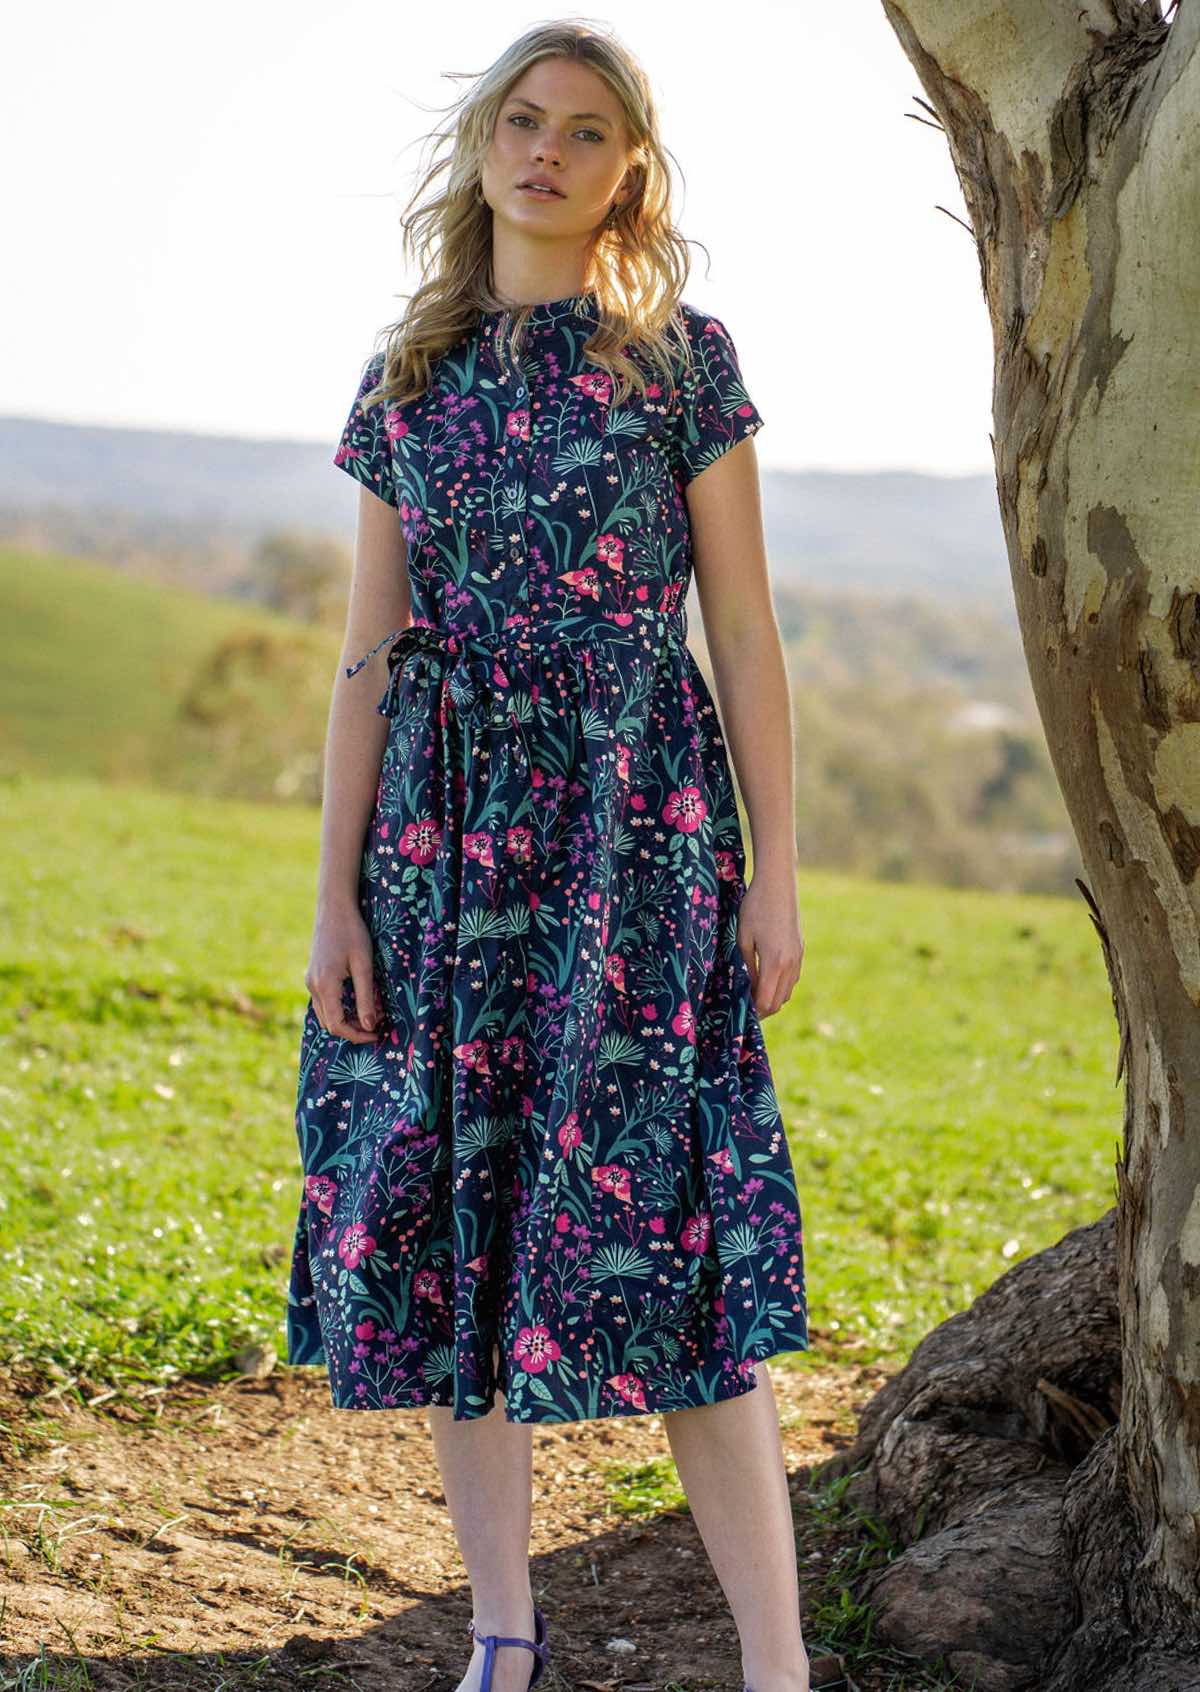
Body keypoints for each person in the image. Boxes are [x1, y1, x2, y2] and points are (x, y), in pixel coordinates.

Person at [287, 20, 811, 1692]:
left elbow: (742, 625)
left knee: (669, 1234)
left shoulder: (681, 362)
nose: (547, 152)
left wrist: (774, 870)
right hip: (442, 859)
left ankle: (778, 1665)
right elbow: (371, 652)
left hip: (632, 844)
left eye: (587, 132)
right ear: (482, 144)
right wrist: (335, 893)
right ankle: (503, 1639)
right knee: (453, 1222)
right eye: (523, 121)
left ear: (626, 172)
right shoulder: (407, 379)